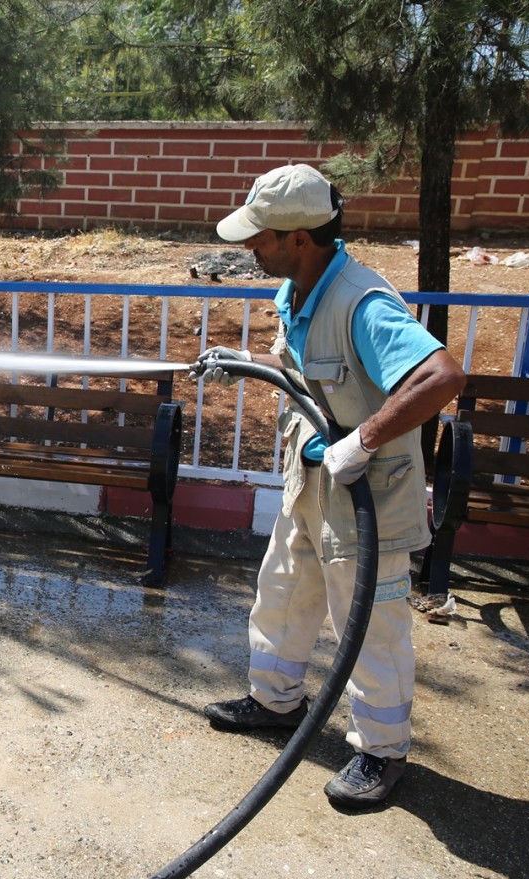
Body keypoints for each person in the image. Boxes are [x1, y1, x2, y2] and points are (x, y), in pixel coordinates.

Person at [191, 163, 466, 810]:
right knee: (283, 594)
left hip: (367, 497)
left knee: (369, 629)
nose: (249, 246)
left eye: (260, 236)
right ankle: (275, 701)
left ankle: (382, 751)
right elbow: (304, 374)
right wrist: (248, 363)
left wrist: (363, 440)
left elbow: (442, 377)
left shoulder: (362, 302)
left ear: (299, 238)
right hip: (310, 484)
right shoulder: (297, 292)